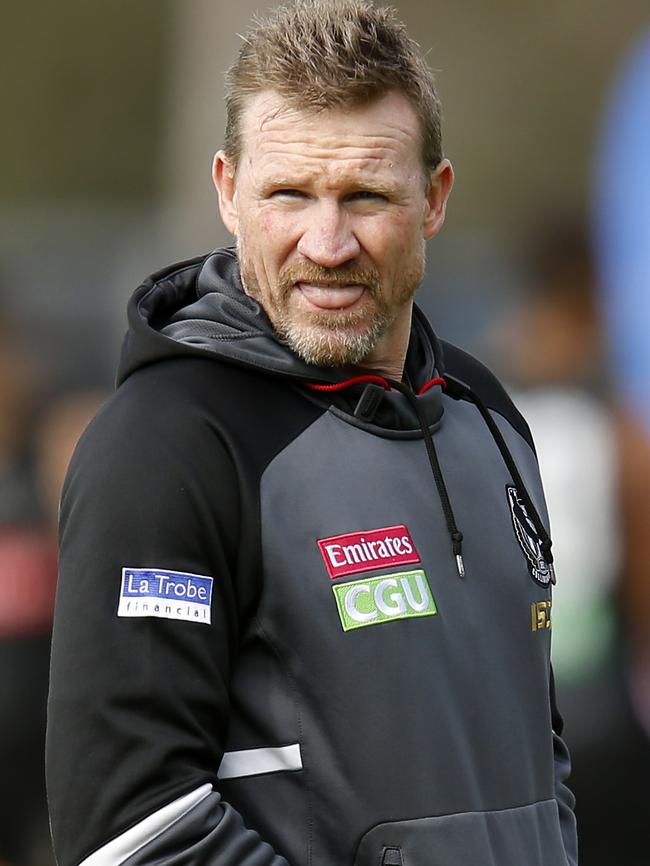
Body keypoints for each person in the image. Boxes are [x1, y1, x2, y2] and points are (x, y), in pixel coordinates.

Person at [46, 2, 578, 865]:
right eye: (288, 194)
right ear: (227, 191)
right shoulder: (167, 446)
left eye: (366, 196)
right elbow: (128, 832)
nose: (327, 243)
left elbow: (534, 758)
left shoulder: (487, 413)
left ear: (435, 198)